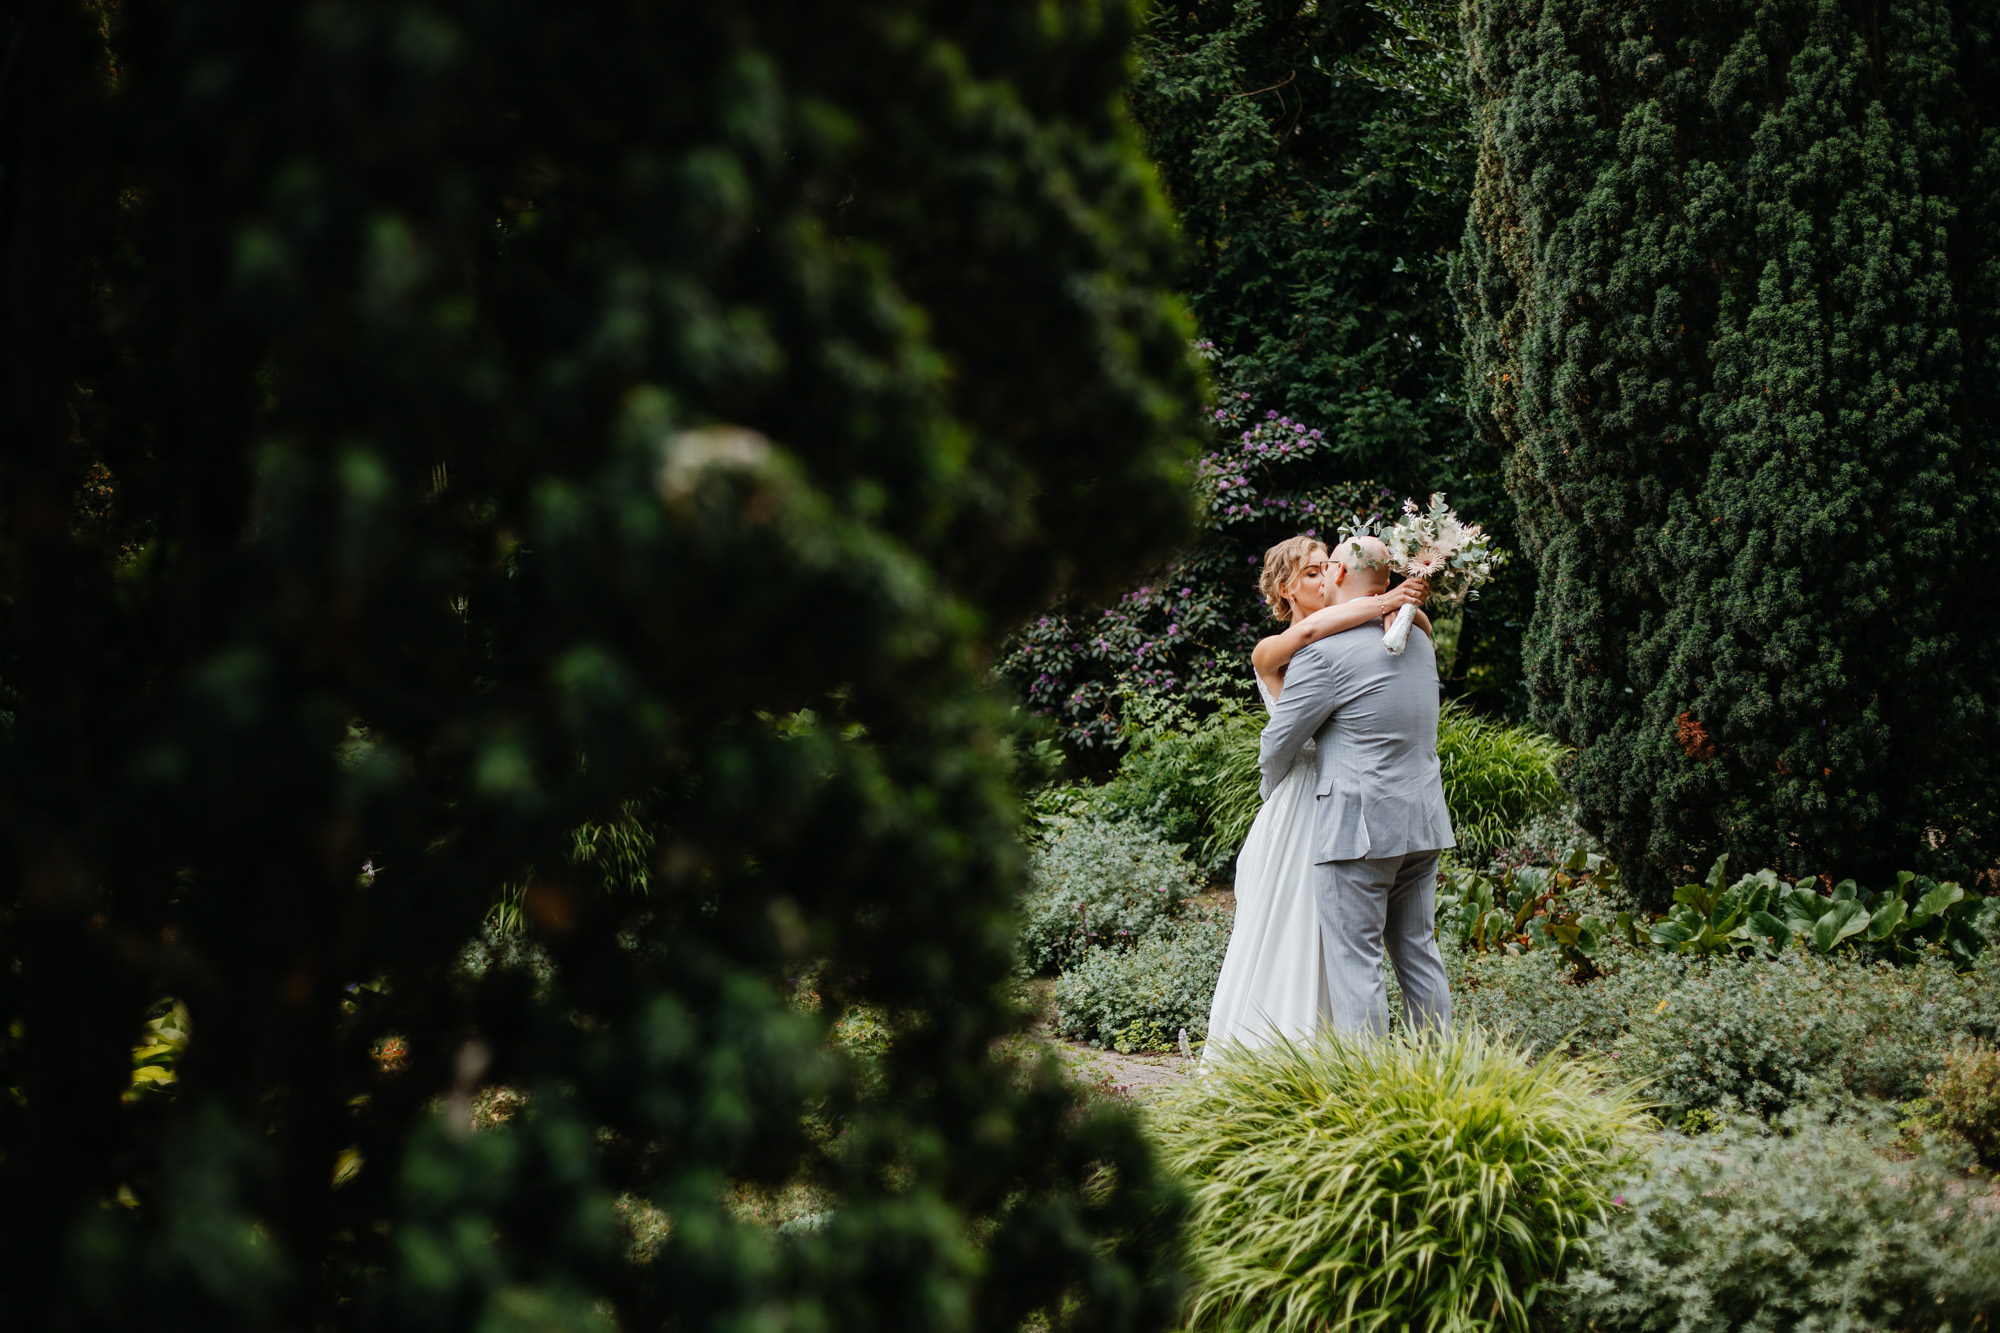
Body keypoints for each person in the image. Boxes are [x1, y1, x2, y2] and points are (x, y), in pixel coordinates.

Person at [1200, 536, 1430, 1064]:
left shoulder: (1365, 635)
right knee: (1294, 928)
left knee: (1348, 946)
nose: (1323, 578)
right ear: (1285, 590)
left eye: (1328, 567)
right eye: (1310, 573)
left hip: (1350, 804)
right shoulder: (1278, 648)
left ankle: (1346, 1057)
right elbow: (1307, 635)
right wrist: (1384, 600)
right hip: (1303, 798)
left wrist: (1402, 606)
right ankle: (1283, 1053)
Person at [1254, 533, 1455, 1038]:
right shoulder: (1420, 642)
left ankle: (1369, 1090)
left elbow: (1279, 745)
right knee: (1419, 953)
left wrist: (1272, 792)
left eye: (1327, 569)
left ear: (1339, 576)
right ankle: (1443, 1073)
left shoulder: (1324, 655)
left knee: (1356, 963)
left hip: (1357, 830)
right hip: (1423, 820)